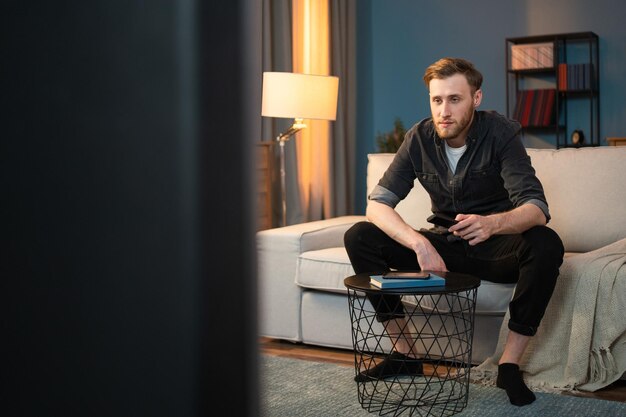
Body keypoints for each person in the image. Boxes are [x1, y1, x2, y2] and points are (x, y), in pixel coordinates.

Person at [344, 57, 564, 407]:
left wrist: (492, 223)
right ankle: (405, 354)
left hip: (495, 248)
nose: (444, 110)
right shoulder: (419, 137)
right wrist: (419, 243)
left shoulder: (500, 134)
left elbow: (537, 209)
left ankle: (508, 366)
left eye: (455, 99)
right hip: (445, 246)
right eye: (437, 100)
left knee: (546, 243)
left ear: (476, 99)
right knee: (359, 235)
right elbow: (377, 205)